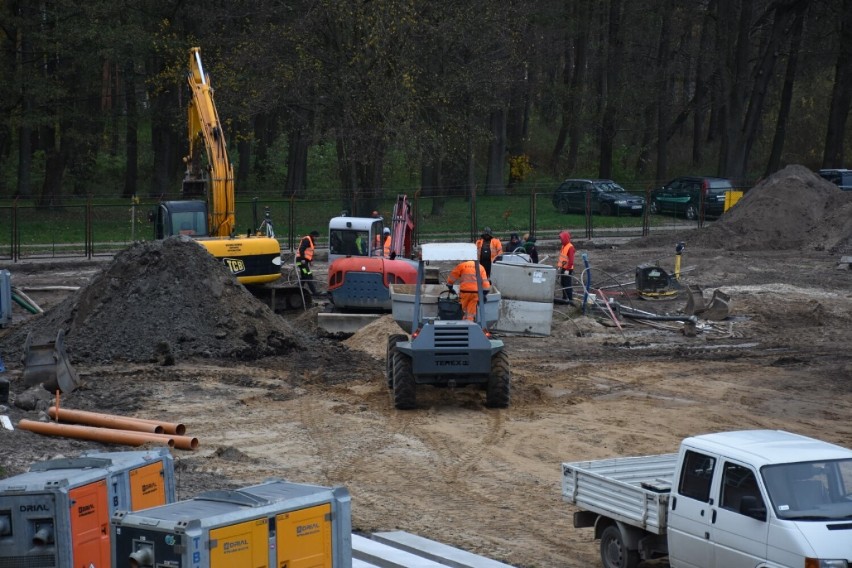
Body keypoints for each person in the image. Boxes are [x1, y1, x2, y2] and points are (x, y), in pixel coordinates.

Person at [297, 230, 320, 295]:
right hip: (301, 262)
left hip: (302, 262)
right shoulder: (307, 239)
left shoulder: (310, 240)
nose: (317, 238)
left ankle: (298, 290)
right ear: (313, 236)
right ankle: (314, 292)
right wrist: (302, 259)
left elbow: (309, 252)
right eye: (316, 237)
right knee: (308, 275)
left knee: (304, 276)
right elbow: (301, 249)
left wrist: (310, 261)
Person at [558, 230, 575, 304]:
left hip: (568, 269)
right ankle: (565, 298)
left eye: (561, 238)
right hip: (563, 268)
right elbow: (562, 258)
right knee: (563, 283)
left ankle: (569, 299)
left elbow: (571, 260)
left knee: (567, 284)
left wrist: (567, 269)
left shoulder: (570, 247)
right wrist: (560, 266)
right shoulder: (563, 246)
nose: (560, 240)